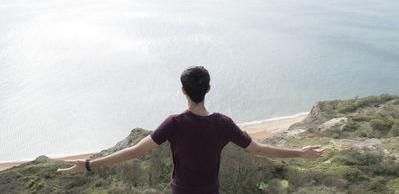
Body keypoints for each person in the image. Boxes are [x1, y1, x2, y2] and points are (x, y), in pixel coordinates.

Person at [57, 66, 324, 194]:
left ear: (183, 91)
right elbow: (259, 149)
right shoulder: (223, 124)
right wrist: (300, 153)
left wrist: (89, 164)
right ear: (208, 89)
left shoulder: (174, 124)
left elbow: (133, 152)